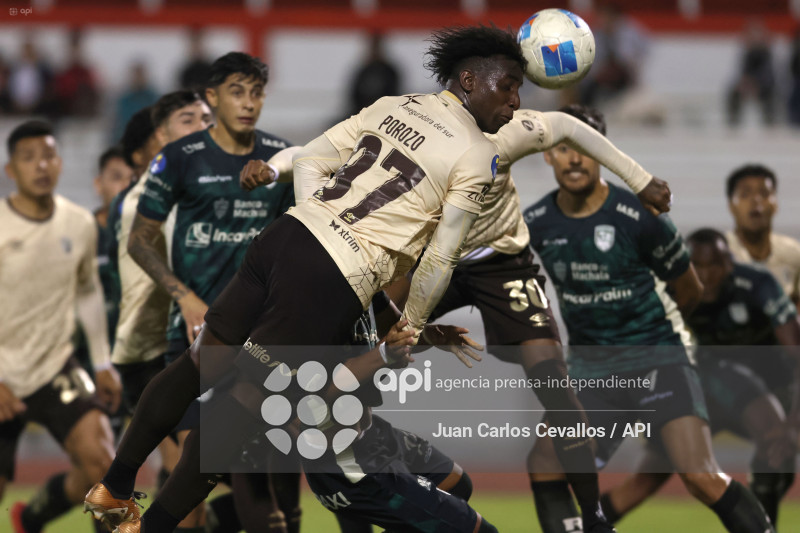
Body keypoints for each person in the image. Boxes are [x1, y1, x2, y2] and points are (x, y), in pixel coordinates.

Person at [85, 24, 542, 533]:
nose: (516, 101)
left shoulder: (393, 105)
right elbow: (441, 257)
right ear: (469, 79)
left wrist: (319, 228)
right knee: (244, 411)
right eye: (508, 85)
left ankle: (115, 485)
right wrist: (409, 324)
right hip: (329, 274)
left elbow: (311, 159)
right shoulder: (478, 152)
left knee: (200, 363)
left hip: (287, 237)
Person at [524, 105, 776, 533]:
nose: (574, 158)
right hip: (592, 374)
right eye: (563, 147)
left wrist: (655, 340)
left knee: (700, 476)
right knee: (544, 462)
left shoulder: (639, 214)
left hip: (656, 361)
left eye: (585, 147)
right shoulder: (537, 223)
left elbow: (690, 289)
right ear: (548, 154)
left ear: (602, 153)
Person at [596, 229, 800, 530]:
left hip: (760, 388)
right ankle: (577, 525)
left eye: (713, 264)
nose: (705, 275)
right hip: (701, 389)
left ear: (729, 263)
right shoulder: (669, 292)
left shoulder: (758, 284)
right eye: (696, 266)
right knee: (645, 481)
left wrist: (793, 422)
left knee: (775, 444)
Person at [0, 120, 122, 533]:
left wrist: (102, 362)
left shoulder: (78, 224)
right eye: (28, 158)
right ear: (10, 170)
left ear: (60, 163)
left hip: (56, 367)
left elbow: (87, 291)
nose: (41, 166)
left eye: (48, 155)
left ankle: (34, 516)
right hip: (3, 374)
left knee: (103, 465)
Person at [724, 164, 800, 309]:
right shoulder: (720, 253)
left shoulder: (794, 253)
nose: (756, 200)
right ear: (731, 206)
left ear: (776, 203)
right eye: (745, 194)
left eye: (764, 194)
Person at [727, 21, 776, 127]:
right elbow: (744, 72)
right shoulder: (747, 54)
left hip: (764, 85)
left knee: (769, 96)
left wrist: (756, 83)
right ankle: (733, 121)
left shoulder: (766, 53)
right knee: (734, 93)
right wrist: (744, 82)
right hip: (749, 84)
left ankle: (770, 122)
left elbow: (767, 73)